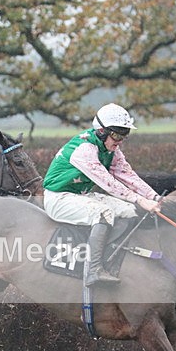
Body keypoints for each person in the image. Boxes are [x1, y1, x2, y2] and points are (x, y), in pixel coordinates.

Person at [42, 103, 161, 285]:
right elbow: (108, 183)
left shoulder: (112, 149)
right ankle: (93, 269)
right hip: (58, 199)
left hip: (81, 196)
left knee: (129, 211)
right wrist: (140, 200)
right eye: (116, 135)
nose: (120, 141)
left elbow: (127, 175)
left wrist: (154, 197)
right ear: (101, 131)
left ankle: (108, 253)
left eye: (124, 135)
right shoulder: (84, 149)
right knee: (104, 213)